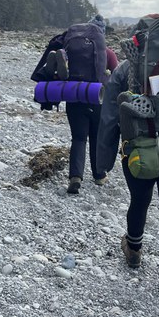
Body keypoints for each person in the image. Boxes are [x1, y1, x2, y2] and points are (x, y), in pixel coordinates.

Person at [97, 52, 159, 307]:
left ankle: (133, 251)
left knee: (139, 200)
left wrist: (103, 162)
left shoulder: (126, 68)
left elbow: (109, 116)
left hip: (140, 149)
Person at [41, 15, 119, 194]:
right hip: (97, 98)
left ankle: (75, 177)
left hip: (74, 96)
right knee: (96, 138)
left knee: (78, 138)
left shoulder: (73, 50)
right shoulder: (107, 53)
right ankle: (99, 175)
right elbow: (116, 77)